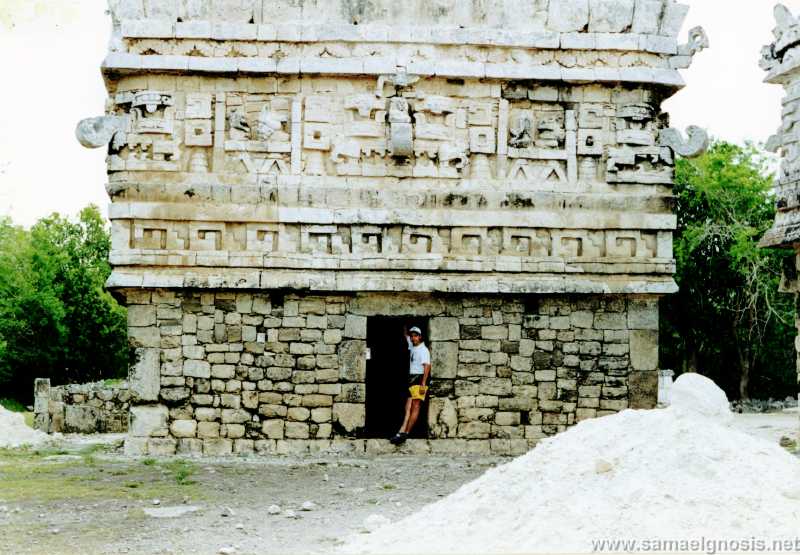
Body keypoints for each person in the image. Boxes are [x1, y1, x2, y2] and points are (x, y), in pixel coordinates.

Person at [390, 326, 431, 445]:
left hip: (419, 379)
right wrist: (405, 325)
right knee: (407, 407)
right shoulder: (413, 346)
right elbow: (405, 335)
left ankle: (406, 433)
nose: (413, 338)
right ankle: (401, 431)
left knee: (415, 407)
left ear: (420, 336)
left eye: (416, 335)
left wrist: (423, 383)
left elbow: (427, 366)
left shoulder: (424, 350)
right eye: (412, 336)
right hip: (411, 379)